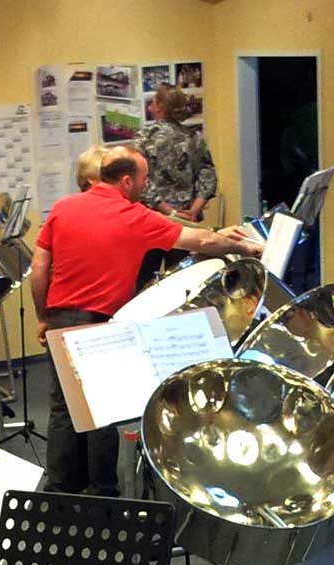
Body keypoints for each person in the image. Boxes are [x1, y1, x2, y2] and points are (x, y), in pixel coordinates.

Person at [29, 147, 262, 495]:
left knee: (64, 408)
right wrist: (247, 249)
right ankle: (102, 492)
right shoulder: (133, 215)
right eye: (143, 178)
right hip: (100, 321)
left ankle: (60, 491)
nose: (146, 185)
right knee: (100, 410)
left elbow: (39, 269)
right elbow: (200, 240)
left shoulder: (63, 208)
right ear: (126, 180)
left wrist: (43, 316)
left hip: (62, 317)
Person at [135, 86, 216, 223]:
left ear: (159, 107)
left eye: (152, 102)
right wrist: (194, 210)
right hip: (188, 214)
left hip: (156, 215)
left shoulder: (145, 137)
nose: (149, 107)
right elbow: (207, 175)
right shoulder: (194, 136)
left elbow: (139, 177)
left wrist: (169, 211)